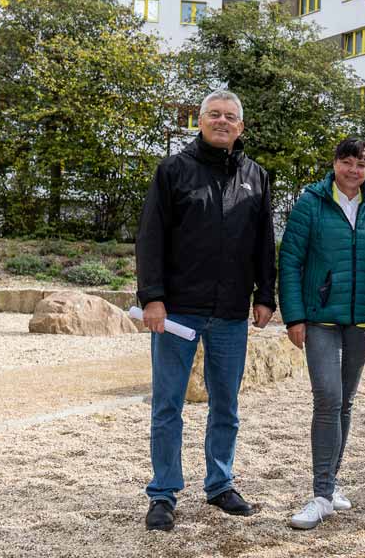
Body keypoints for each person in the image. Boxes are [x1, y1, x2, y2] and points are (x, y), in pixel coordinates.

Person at [136, 90, 276, 532]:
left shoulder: (256, 176)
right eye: (213, 114)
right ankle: (163, 493)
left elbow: (263, 243)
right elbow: (151, 236)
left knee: (226, 406)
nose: (221, 121)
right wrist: (152, 297)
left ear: (241, 126)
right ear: (199, 121)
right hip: (177, 311)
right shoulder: (173, 171)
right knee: (168, 405)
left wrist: (265, 295)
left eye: (229, 116)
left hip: (232, 312)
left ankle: (220, 484)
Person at [277, 137, 365, 530]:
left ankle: (331, 484)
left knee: (345, 401)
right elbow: (290, 261)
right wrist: (293, 317)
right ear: (335, 164)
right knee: (327, 396)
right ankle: (320, 494)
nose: (353, 171)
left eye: (361, 165)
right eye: (347, 162)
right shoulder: (310, 204)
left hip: (362, 319)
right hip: (320, 318)